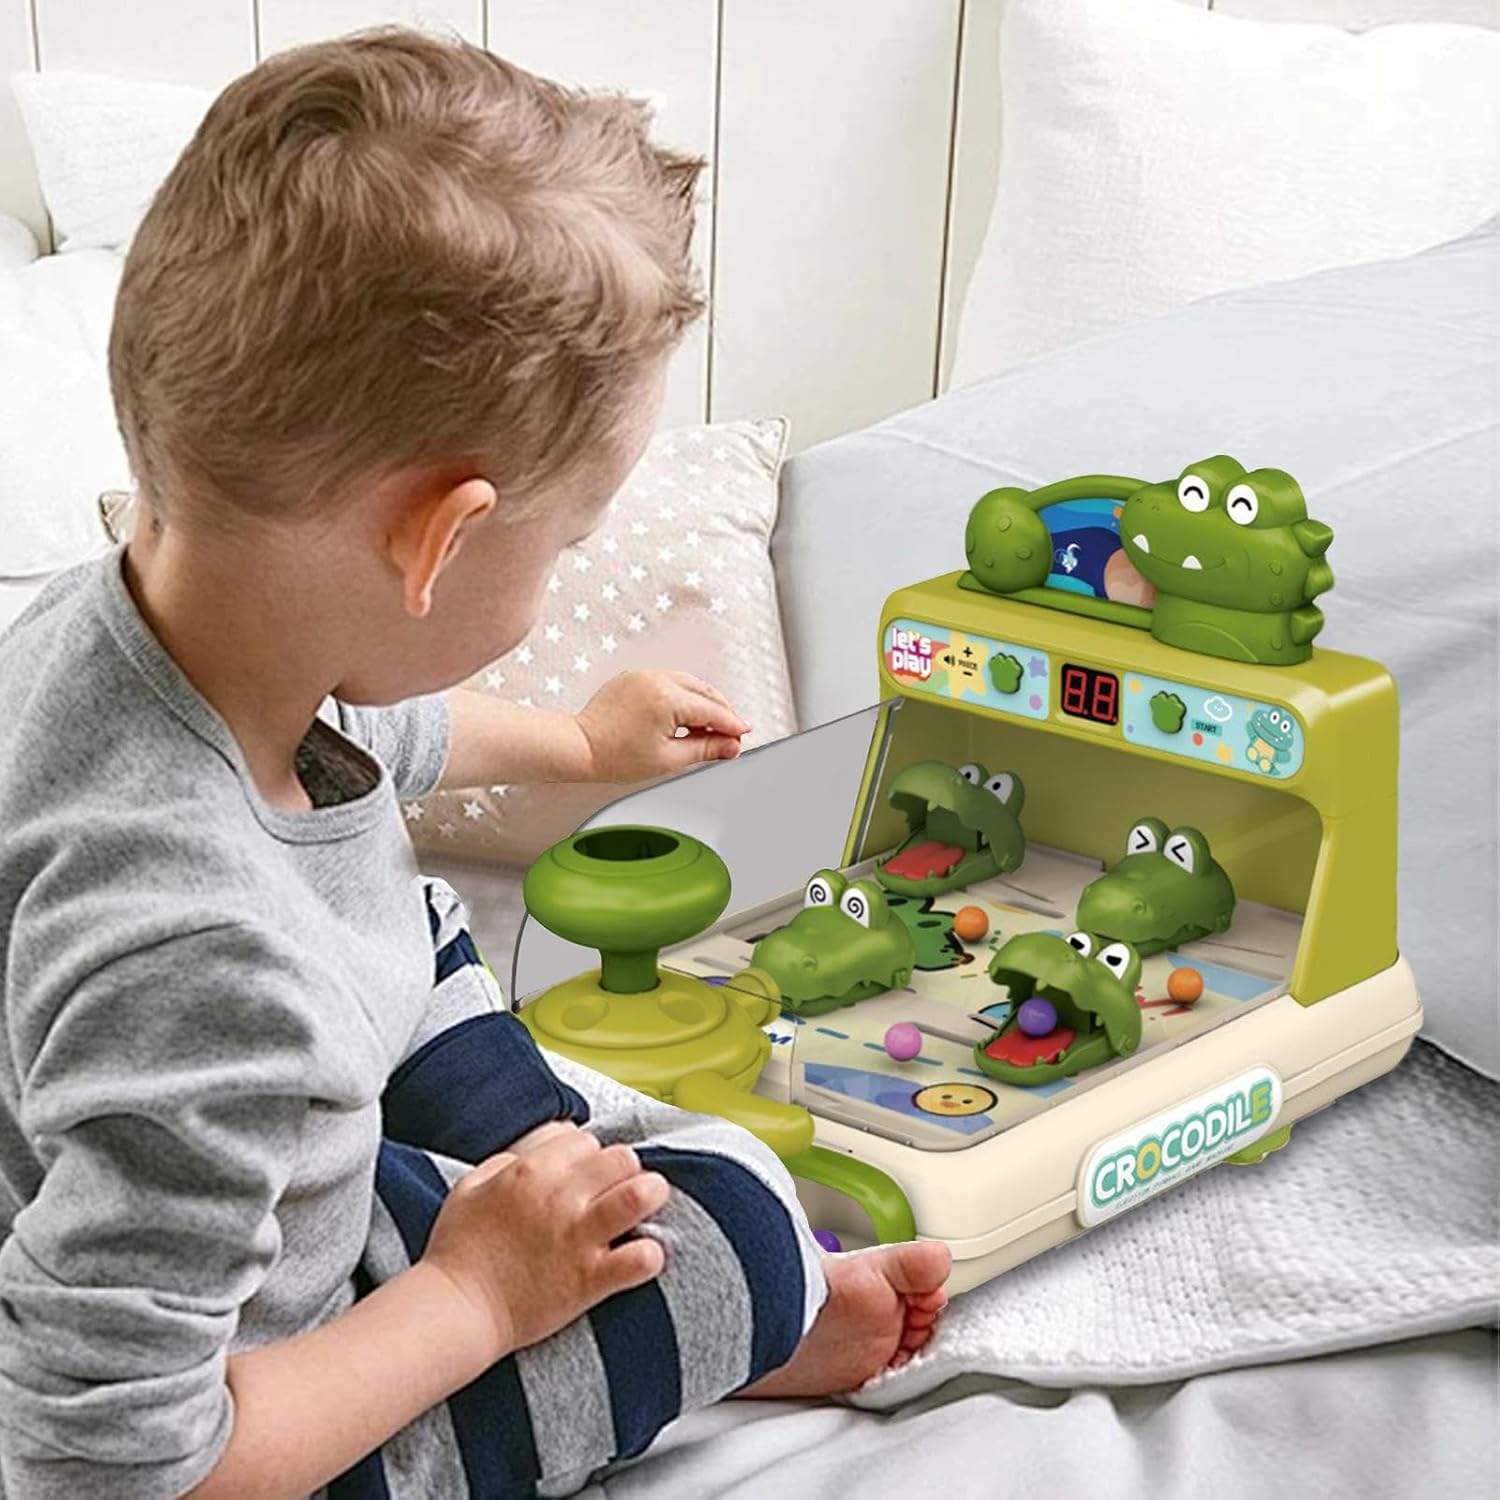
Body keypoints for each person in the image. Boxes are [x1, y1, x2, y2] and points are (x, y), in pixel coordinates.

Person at [0, 30, 950, 1499]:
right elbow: (107, 1470)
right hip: (244, 1409)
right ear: (441, 540)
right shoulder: (202, 962)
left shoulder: (143, 627)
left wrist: (581, 745)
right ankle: (738, 1316)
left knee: (403, 908)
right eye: (567, 544)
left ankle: (548, 1215)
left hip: (189, 1179)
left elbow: (383, 738)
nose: (560, 573)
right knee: (751, 1233)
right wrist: (474, 1300)